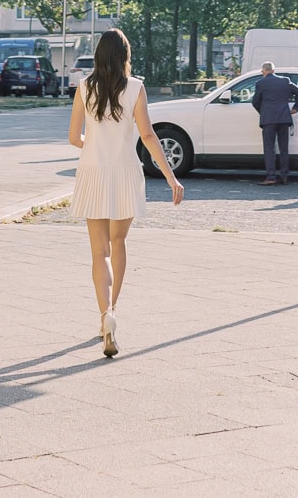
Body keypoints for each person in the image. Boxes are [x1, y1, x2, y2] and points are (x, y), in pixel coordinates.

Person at [68, 29, 184, 357]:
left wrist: (92, 145)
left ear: (99, 56)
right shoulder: (135, 88)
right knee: (118, 243)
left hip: (92, 173)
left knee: (98, 252)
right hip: (125, 173)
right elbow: (148, 136)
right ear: (125, 56)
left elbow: (74, 137)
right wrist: (171, 177)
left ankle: (104, 314)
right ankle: (113, 311)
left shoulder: (84, 87)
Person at [251, 61, 298, 185]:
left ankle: (271, 177)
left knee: (269, 148)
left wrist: (263, 111)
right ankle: (284, 176)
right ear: (273, 70)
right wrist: (296, 107)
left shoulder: (260, 83)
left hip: (268, 119)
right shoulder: (285, 81)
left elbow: (255, 102)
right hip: (284, 118)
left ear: (263, 72)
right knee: (284, 148)